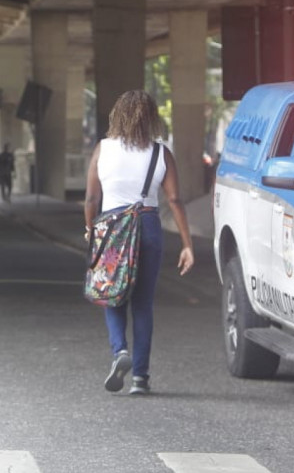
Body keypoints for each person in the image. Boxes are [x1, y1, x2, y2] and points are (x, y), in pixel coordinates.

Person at [84, 89, 195, 396]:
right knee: (143, 303)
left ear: (118, 115)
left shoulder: (102, 149)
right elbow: (174, 199)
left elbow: (92, 198)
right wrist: (187, 244)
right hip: (147, 224)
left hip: (112, 227)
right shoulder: (161, 153)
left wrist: (89, 230)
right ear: (151, 118)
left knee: (111, 293)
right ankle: (140, 379)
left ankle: (120, 351)